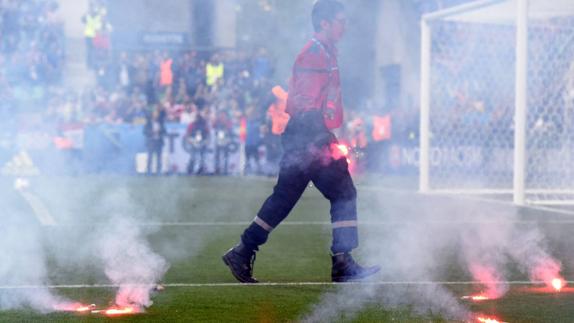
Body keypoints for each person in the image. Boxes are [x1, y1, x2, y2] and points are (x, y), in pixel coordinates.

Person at [223, 0, 380, 283]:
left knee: (285, 199)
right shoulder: (314, 55)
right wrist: (321, 141)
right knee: (343, 192)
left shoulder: (326, 53)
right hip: (308, 136)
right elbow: (306, 104)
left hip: (308, 136)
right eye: (340, 21)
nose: (345, 26)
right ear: (325, 23)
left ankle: (243, 251)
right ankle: (342, 262)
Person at [143, 105, 166, 175]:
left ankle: (158, 171)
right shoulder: (148, 123)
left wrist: (160, 131)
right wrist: (152, 132)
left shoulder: (161, 123)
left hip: (158, 142)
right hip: (151, 142)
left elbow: (164, 131)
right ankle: (148, 171)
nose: (156, 115)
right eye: (155, 114)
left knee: (159, 158)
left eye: (157, 114)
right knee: (150, 157)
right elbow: (144, 131)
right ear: (152, 115)